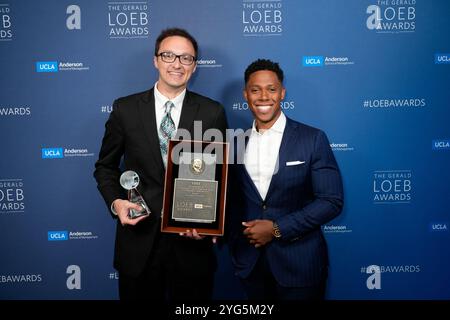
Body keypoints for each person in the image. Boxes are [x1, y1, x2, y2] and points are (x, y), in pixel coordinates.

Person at [94, 27, 227, 301]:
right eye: (168, 56)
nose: (176, 64)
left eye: (185, 58)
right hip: (138, 243)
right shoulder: (125, 109)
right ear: (155, 60)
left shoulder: (212, 112)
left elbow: (222, 175)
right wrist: (116, 203)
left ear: (194, 66)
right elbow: (105, 167)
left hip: (192, 247)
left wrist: (210, 223)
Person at [227, 59, 343, 300]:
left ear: (282, 93)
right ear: (245, 94)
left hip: (300, 265)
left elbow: (331, 201)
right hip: (251, 265)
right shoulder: (235, 143)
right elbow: (231, 202)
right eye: (255, 89)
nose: (263, 97)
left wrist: (277, 229)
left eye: (271, 89)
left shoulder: (312, 139)